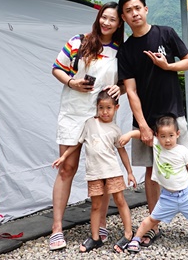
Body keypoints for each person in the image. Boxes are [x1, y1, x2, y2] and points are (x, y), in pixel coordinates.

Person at [116, 0, 188, 249]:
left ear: (146, 9)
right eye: (128, 10)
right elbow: (131, 91)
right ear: (124, 17)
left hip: (174, 115)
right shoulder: (125, 51)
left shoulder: (166, 33)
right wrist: (143, 126)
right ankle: (153, 225)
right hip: (145, 121)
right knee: (150, 170)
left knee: (185, 165)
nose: (134, 13)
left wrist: (167, 66)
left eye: (137, 8)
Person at [49, 2, 124, 251]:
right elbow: (56, 68)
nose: (106, 22)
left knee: (101, 171)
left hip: (100, 116)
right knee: (67, 168)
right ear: (98, 18)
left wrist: (120, 89)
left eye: (112, 19)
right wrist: (72, 82)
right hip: (72, 113)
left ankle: (100, 222)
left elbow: (126, 82)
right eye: (104, 17)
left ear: (119, 23)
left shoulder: (121, 50)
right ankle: (57, 228)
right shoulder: (79, 41)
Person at [118, 115, 188, 252]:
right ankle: (136, 239)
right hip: (167, 196)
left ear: (177, 134)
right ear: (157, 136)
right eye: (163, 136)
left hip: (187, 195)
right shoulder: (157, 145)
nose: (167, 140)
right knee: (151, 219)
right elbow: (140, 134)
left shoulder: (182, 151)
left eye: (171, 135)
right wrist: (129, 135)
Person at [53, 90, 137, 253]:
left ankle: (128, 234)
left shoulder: (115, 129)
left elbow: (122, 151)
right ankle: (95, 237)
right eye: (101, 108)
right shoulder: (89, 124)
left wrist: (129, 172)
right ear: (96, 108)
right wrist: (64, 157)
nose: (105, 112)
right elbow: (77, 144)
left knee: (120, 201)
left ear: (116, 108)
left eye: (108, 108)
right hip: (94, 174)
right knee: (96, 205)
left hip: (112, 172)